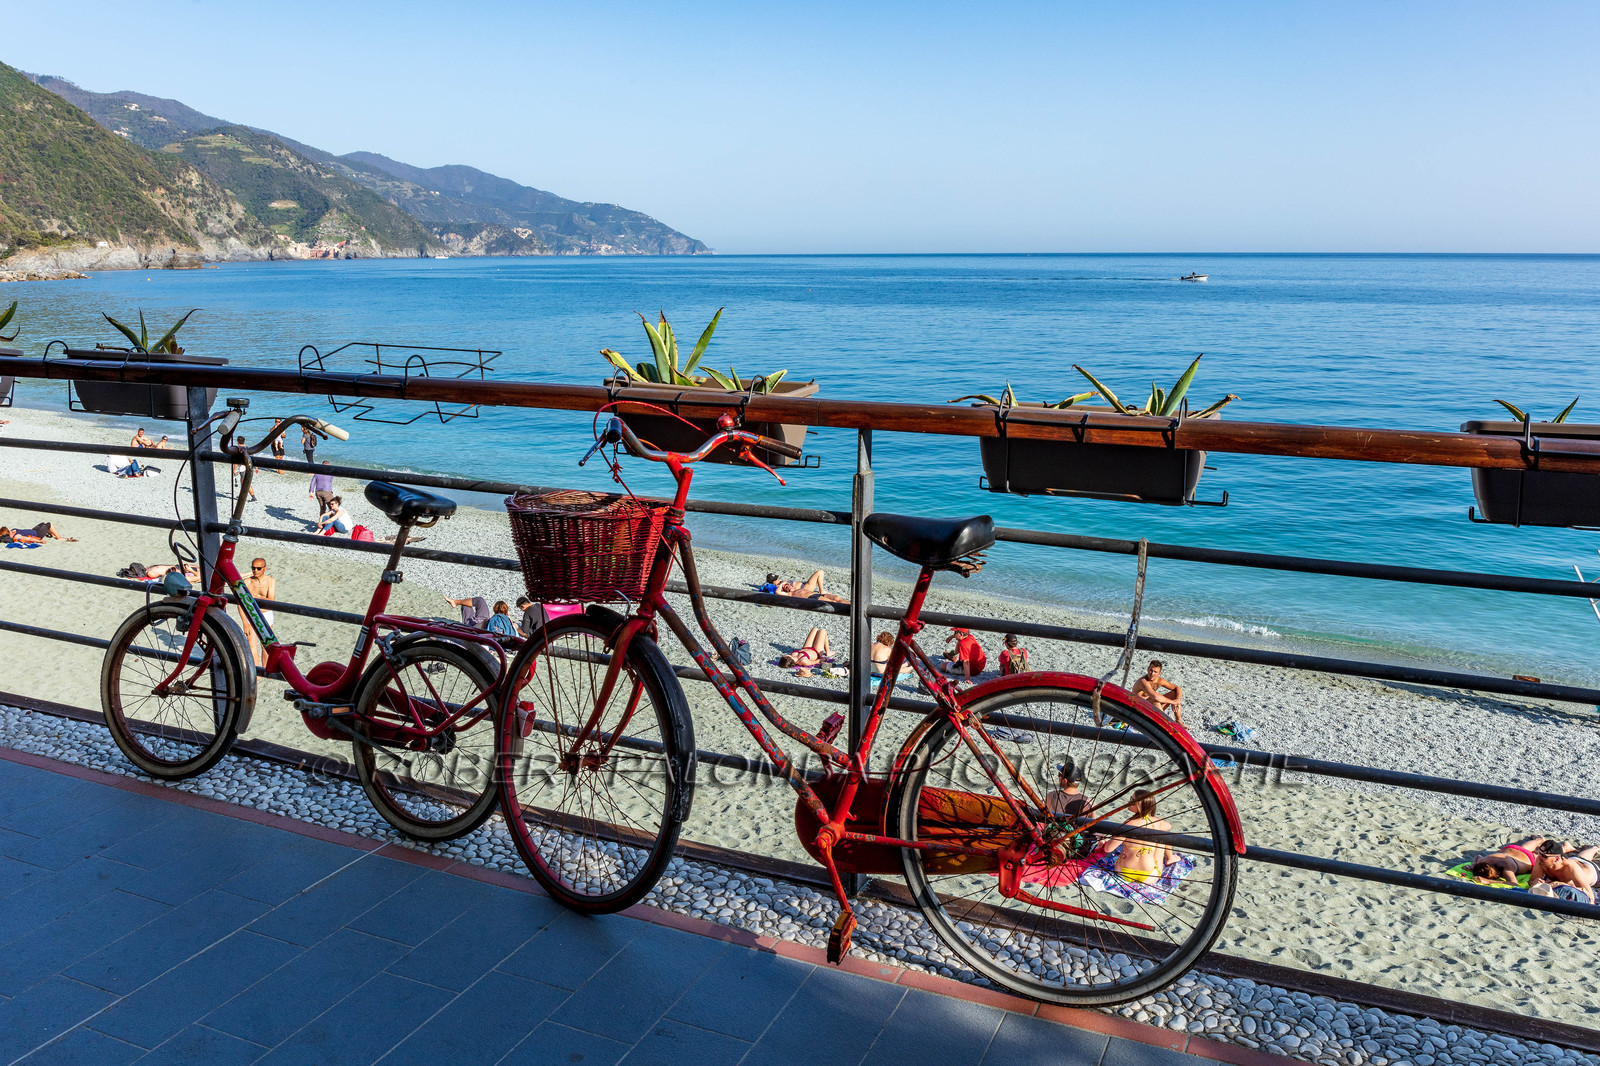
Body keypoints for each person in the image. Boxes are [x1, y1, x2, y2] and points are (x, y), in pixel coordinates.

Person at [1110, 789, 1175, 884]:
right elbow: (1169, 826)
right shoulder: (1157, 822)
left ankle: (1170, 858)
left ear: (1140, 806)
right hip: (1149, 877)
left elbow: (1108, 848)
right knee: (1163, 837)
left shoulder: (1129, 823)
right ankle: (1170, 858)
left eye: (1132, 801)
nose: (1129, 802)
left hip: (1122, 872)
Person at [1468, 836, 1565, 885]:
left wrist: (1489, 881)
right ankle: (1539, 840)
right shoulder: (1485, 861)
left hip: (1529, 858)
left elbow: (1513, 883)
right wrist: (1473, 865)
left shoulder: (1507, 868)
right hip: (1512, 849)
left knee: (1548, 856)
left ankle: (1565, 848)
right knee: (1527, 847)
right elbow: (1477, 856)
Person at [1527, 842, 1599, 904]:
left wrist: (1555, 883)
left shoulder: (1571, 868)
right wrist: (1535, 882)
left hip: (1591, 870)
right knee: (1581, 856)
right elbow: (1532, 882)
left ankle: (1595, 848)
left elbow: (1590, 897)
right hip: (1573, 859)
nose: (1539, 857)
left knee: (1584, 858)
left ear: (1557, 859)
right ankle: (1572, 847)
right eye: (1539, 853)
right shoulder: (1541, 861)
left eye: (1544, 856)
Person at [237, 557, 276, 667]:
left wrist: (252, 601)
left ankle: (266, 671)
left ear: (265, 568)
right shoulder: (247, 581)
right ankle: (257, 674)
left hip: (264, 614)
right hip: (251, 615)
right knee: (251, 644)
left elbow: (271, 602)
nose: (256, 571)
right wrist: (245, 623)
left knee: (266, 645)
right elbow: (240, 603)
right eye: (253, 568)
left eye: (259, 568)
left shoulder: (270, 581)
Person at [1132, 660, 1184, 727]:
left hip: (1151, 708)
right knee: (1155, 700)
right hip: (1139, 709)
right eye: (1151, 670)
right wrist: (1173, 702)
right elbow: (1155, 696)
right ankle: (1166, 723)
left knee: (1174, 693)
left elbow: (1178, 688)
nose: (1152, 673)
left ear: (1159, 673)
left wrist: (1177, 700)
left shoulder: (1159, 680)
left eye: (1155, 672)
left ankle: (1179, 721)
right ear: (1148, 669)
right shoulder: (1143, 682)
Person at [1044, 758, 1091, 822]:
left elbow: (1044, 820)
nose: (1058, 777)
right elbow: (1093, 828)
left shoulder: (1051, 796)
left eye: (1059, 775)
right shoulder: (1088, 801)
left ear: (1065, 780)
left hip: (1053, 831)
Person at [764, 569, 847, 604]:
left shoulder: (783, 583)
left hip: (808, 589)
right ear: (773, 582)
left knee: (836, 597)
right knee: (834, 602)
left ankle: (853, 606)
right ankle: (822, 590)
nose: (778, 579)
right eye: (776, 579)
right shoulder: (781, 588)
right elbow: (777, 592)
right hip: (807, 589)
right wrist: (782, 584)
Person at [231, 436, 257, 502]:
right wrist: (256, 467)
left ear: (237, 442)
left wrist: (234, 470)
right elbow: (252, 458)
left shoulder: (238, 450)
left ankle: (252, 497)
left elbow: (237, 462)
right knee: (245, 483)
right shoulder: (248, 448)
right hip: (249, 467)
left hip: (243, 469)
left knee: (245, 484)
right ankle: (243, 496)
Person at [1, 522, 75, 543]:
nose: (10, 531)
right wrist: (40, 541)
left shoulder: (13, 530)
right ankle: (59, 538)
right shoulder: (16, 536)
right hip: (37, 534)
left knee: (43, 523)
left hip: (33, 530)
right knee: (49, 524)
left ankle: (52, 534)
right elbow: (28, 539)